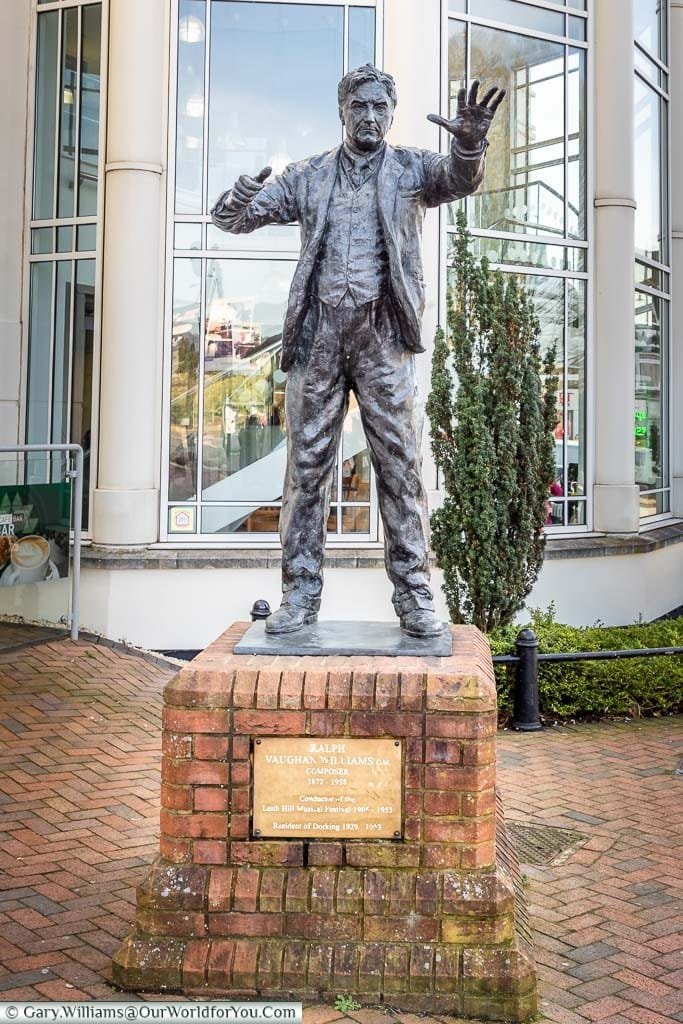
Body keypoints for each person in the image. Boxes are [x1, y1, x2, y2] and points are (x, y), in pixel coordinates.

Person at [211, 65, 504, 636]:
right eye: (359, 107)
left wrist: (470, 147)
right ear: (342, 111)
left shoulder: (412, 168)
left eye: (379, 108)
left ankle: (416, 593)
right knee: (305, 470)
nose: (370, 117)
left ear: (390, 113)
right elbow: (233, 218)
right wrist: (242, 193)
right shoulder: (309, 175)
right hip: (319, 335)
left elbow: (459, 179)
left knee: (400, 465)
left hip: (383, 337)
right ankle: (298, 595)